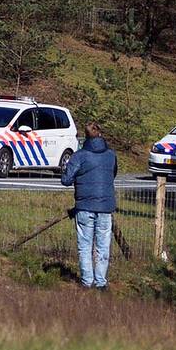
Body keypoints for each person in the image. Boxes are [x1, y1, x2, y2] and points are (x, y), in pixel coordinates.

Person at [60, 122, 118, 291]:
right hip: (106, 206)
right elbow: (113, 174)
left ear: (85, 136)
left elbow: (66, 180)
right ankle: (101, 283)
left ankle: (87, 281)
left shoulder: (79, 156)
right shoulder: (111, 155)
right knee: (103, 246)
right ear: (100, 134)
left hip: (85, 205)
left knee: (85, 246)